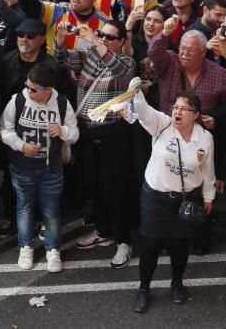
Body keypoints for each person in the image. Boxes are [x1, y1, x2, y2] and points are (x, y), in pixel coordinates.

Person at [131, 86, 215, 313]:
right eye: (175, 107)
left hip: (186, 199)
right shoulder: (162, 123)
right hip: (155, 197)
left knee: (180, 244)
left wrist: (209, 197)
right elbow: (143, 110)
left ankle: (177, 284)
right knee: (150, 245)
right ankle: (144, 289)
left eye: (184, 109)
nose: (177, 112)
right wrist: (136, 92)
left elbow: (208, 170)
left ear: (196, 114)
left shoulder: (205, 138)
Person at [59, 20, 136, 267]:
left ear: (122, 41)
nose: (104, 40)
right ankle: (103, 231)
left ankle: (124, 241)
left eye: (110, 37)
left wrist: (96, 43)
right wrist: (60, 39)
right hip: (86, 131)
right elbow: (63, 59)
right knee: (93, 185)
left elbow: (121, 74)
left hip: (113, 132)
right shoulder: (89, 55)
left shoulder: (126, 62)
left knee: (115, 188)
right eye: (102, 35)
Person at [0, 63, 79, 272]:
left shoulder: (62, 103)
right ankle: (25, 246)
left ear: (48, 89)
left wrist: (61, 131)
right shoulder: (18, 100)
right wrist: (22, 146)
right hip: (22, 166)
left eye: (34, 89)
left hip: (51, 168)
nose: (29, 91)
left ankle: (53, 249)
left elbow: (75, 134)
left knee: (51, 211)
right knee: (24, 208)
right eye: (28, 86)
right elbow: (4, 129)